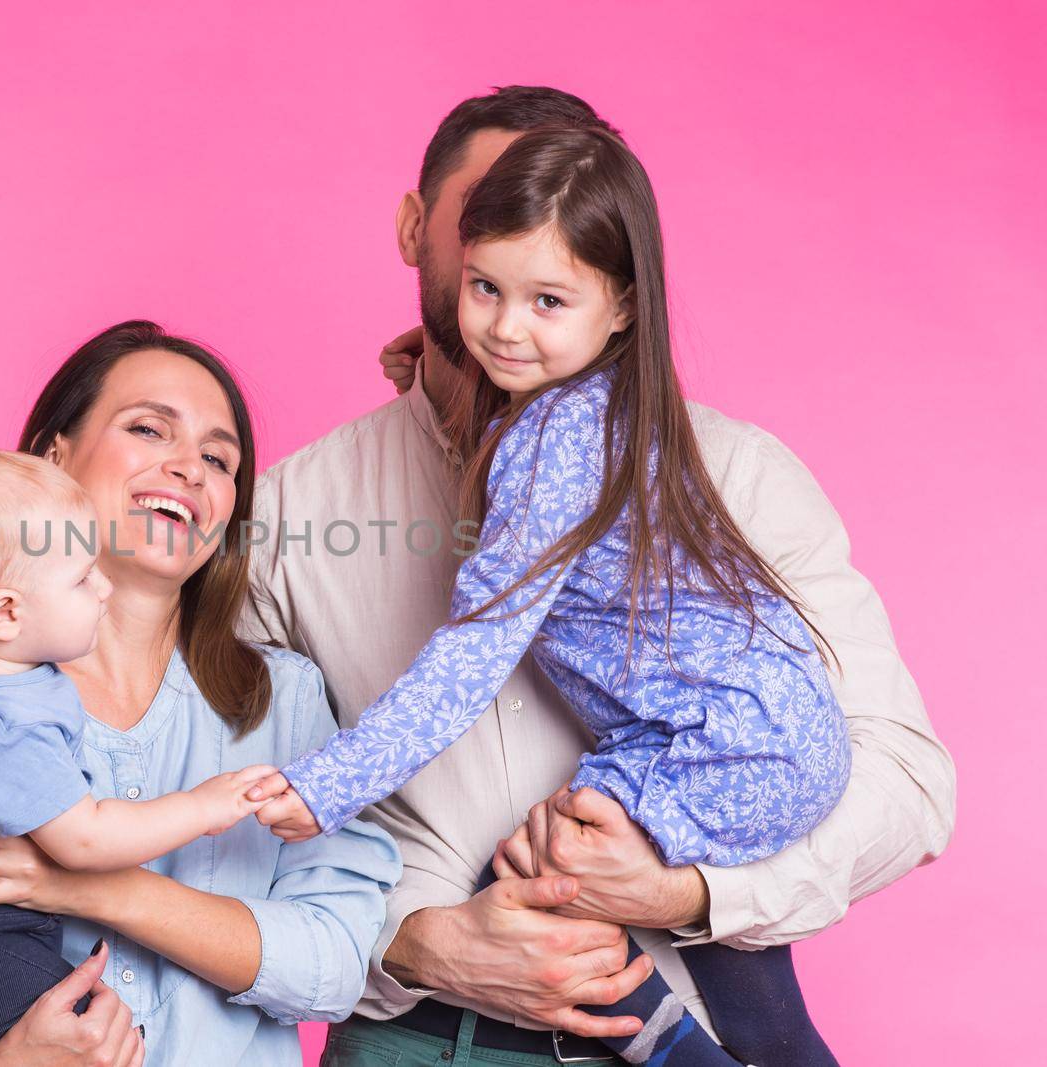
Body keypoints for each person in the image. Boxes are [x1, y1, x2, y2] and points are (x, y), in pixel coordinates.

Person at [242, 87, 955, 1066]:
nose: (507, 318)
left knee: (555, 838)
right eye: (489, 255)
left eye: (552, 285)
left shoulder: (730, 471)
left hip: (690, 986)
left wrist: (685, 892)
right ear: (421, 231)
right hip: (420, 1035)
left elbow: (908, 784)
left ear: (614, 289)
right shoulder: (288, 514)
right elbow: (211, 827)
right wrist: (406, 938)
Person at [0, 320, 402, 1067]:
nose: (190, 468)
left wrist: (91, 888)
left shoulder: (283, 698)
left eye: (219, 459)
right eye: (148, 428)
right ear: (53, 456)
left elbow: (331, 967)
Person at [0, 445, 280, 1063]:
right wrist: (204, 806)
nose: (103, 589)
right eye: (81, 578)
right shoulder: (7, 724)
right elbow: (86, 841)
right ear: (6, 612)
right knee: (96, 1039)